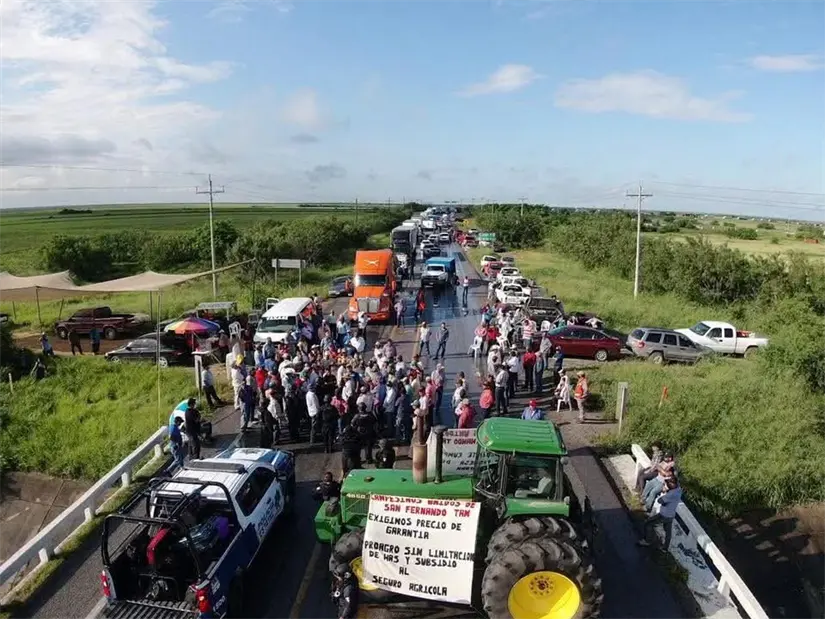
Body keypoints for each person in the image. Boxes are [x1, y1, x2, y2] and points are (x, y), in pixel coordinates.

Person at [638, 476, 682, 551]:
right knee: (668, 532)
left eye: (665, 485)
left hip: (664, 515)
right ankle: (665, 548)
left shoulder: (670, 495)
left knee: (648, 523)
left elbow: (660, 501)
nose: (663, 486)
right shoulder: (678, 490)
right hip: (671, 515)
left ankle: (647, 541)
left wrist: (664, 491)